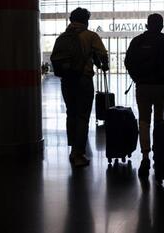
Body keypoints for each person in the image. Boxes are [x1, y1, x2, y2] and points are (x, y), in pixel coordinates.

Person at [125, 13, 164, 178]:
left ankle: (145, 155)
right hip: (162, 87)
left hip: (143, 87)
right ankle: (159, 152)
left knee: (144, 121)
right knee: (159, 121)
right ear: (162, 25)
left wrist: (137, 78)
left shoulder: (137, 41)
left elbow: (128, 62)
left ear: (146, 24)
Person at [60, 8, 109, 166]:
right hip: (83, 80)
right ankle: (78, 153)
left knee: (71, 114)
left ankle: (72, 148)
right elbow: (102, 54)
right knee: (82, 117)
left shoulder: (63, 37)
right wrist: (103, 65)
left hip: (66, 81)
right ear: (86, 21)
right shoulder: (90, 36)